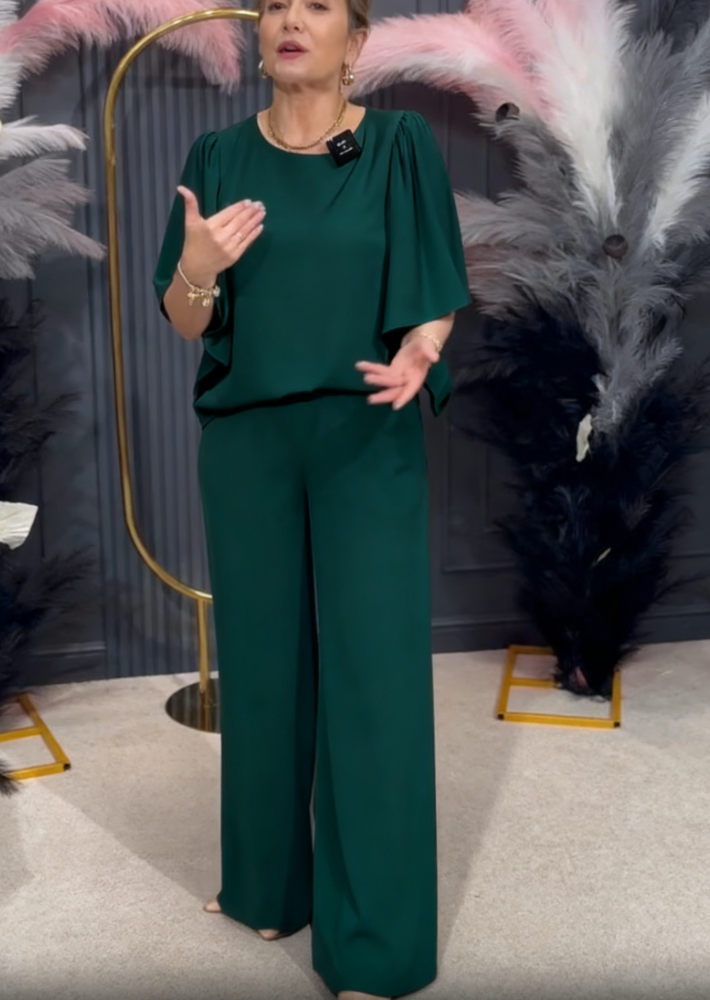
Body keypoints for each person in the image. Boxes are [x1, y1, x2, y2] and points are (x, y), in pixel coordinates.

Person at [152, 0, 470, 995]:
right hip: (247, 444)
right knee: (261, 669)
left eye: (318, 5)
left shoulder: (400, 147)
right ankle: (266, 886)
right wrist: (198, 270)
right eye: (278, 4)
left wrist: (422, 348)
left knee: (373, 681)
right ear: (259, 35)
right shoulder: (216, 157)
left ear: (355, 40)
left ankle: (373, 947)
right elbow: (184, 316)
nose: (292, 19)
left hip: (365, 429)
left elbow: (433, 293)